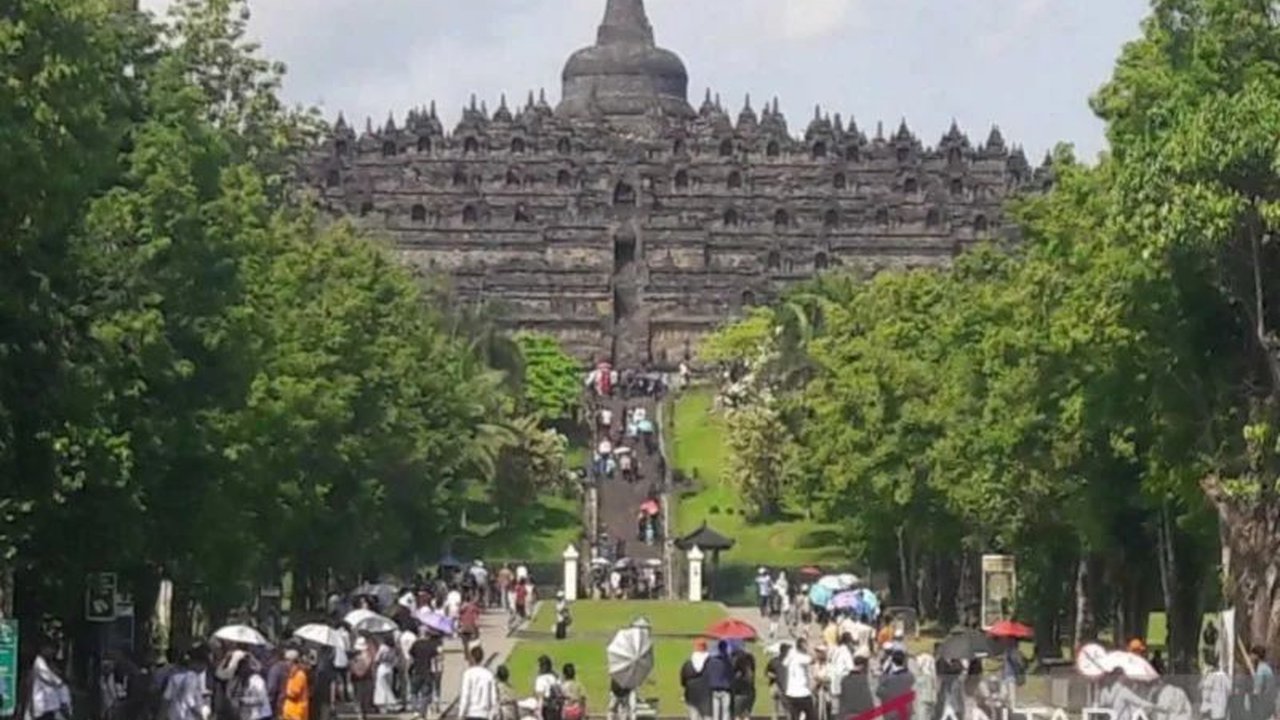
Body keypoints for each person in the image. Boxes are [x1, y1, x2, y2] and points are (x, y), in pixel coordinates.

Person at [26, 641, 71, 720]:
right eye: (50, 649)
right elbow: (47, 676)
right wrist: (60, 682)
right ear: (43, 649)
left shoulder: (48, 662)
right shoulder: (39, 662)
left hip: (50, 704)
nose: (52, 652)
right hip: (43, 704)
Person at [458, 647, 498, 720]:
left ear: (472, 658)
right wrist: (494, 712)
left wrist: (461, 714)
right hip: (484, 714)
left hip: (471, 713)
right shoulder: (489, 674)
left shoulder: (468, 674)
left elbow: (465, 695)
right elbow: (493, 697)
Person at [231, 653, 273, 720]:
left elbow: (261, 699)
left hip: (261, 715)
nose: (241, 672)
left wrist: (243, 700)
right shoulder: (242, 680)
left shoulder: (256, 680)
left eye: (242, 669)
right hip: (250, 715)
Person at [876, 650, 915, 720]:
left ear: (892, 662)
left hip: (891, 713)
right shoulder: (909, 676)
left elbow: (879, 692)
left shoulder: (888, 678)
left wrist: (885, 671)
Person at [783, 638, 815, 720]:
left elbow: (784, 663)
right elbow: (813, 659)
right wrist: (809, 649)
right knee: (811, 716)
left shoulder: (791, 654)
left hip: (791, 693)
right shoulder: (801, 657)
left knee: (795, 716)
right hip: (802, 693)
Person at [682, 639, 712, 720]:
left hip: (691, 694)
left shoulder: (688, 663)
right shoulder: (710, 662)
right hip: (706, 695)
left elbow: (683, 680)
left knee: (694, 717)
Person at [838, 655, 875, 720]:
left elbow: (841, 700)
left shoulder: (844, 680)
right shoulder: (865, 680)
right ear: (862, 666)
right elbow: (868, 699)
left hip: (847, 715)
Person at [706, 641, 734, 720]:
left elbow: (709, 673)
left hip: (714, 688)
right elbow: (731, 675)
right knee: (725, 713)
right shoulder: (728, 662)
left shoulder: (712, 660)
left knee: (715, 713)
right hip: (725, 689)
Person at [281, 650, 310, 720]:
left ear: (292, 661)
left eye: (287, 660)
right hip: (290, 712)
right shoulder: (292, 673)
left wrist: (284, 691)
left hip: (296, 713)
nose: (285, 662)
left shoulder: (299, 675)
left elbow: (294, 693)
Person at [373, 636, 398, 713]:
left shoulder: (382, 647)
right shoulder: (393, 648)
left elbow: (377, 658)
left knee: (381, 687)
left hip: (382, 667)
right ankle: (390, 704)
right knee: (388, 687)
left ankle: (384, 705)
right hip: (390, 668)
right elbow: (395, 660)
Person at [534, 655, 564, 720]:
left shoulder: (540, 679)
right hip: (558, 707)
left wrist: (538, 713)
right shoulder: (556, 677)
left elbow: (540, 698)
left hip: (547, 708)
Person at [731, 647, 757, 720]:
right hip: (750, 692)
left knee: (737, 715)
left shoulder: (737, 666)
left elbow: (734, 677)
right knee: (746, 715)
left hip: (739, 693)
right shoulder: (751, 665)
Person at [1252, 647, 1277, 720]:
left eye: (1252, 655)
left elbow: (1258, 688)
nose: (1251, 657)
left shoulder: (1261, 669)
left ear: (1256, 656)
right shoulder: (1267, 667)